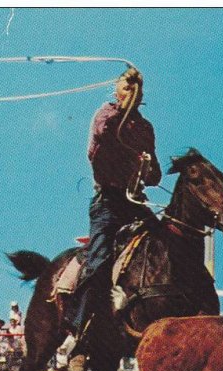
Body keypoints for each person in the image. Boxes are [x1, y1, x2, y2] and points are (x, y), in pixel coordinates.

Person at [68, 67, 161, 337]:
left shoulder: (144, 127)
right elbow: (99, 143)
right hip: (108, 201)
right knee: (97, 263)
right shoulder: (106, 115)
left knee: (165, 247)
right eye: (126, 87)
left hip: (134, 203)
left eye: (135, 89)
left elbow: (154, 176)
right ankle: (81, 330)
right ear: (116, 90)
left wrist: (147, 166)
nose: (131, 92)